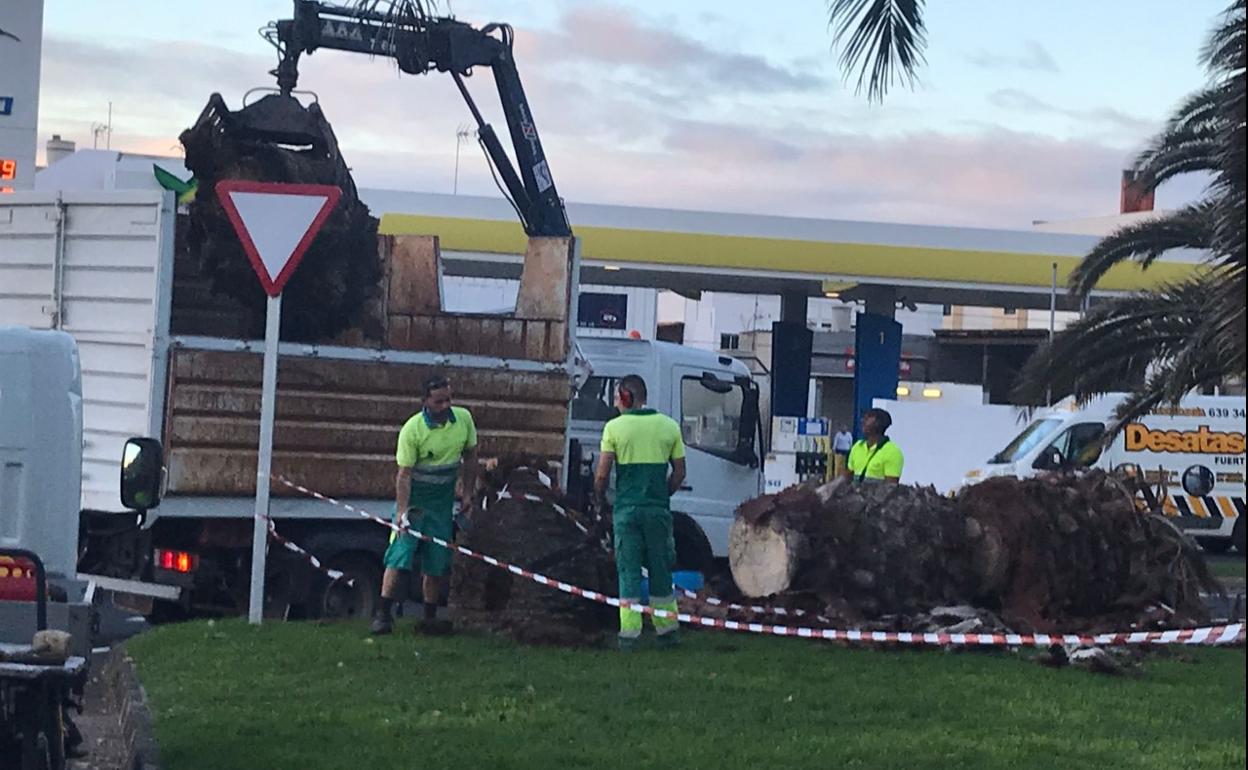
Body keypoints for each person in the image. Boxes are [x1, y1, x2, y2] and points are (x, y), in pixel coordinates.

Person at [371, 374, 479, 635]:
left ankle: (429, 619)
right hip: (415, 502)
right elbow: (404, 475)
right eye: (439, 401)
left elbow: (471, 457)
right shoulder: (412, 430)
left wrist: (467, 494)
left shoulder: (463, 420)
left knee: (437, 560)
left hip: (441, 504)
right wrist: (401, 512)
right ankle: (382, 615)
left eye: (448, 400)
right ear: (425, 401)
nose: (445, 406)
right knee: (399, 555)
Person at [593, 374, 687, 651]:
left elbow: (602, 475)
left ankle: (629, 636)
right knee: (661, 571)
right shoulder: (670, 427)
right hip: (658, 511)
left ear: (625, 397)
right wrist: (661, 496)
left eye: (616, 398)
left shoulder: (614, 428)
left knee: (628, 570)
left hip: (627, 511)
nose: (614, 403)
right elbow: (680, 473)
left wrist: (601, 501)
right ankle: (667, 633)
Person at [842, 408, 903, 485]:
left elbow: (891, 487)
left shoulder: (893, 452)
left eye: (867, 418)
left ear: (877, 424)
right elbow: (848, 476)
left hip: (875, 497)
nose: (863, 421)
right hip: (855, 496)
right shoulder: (857, 446)